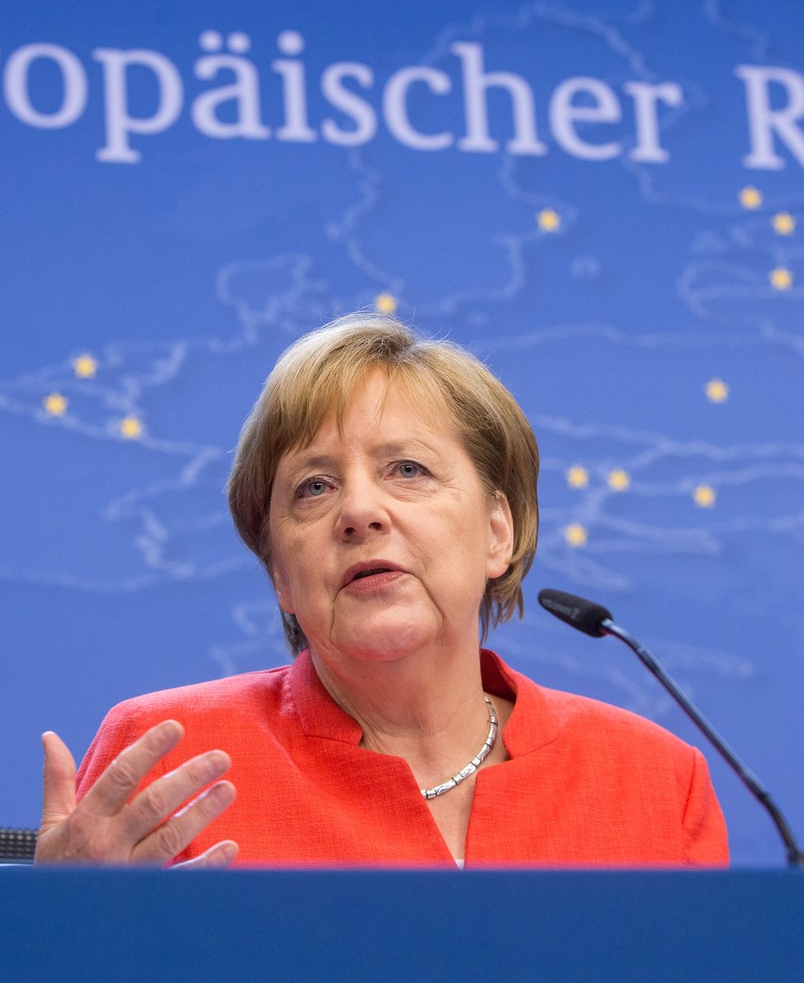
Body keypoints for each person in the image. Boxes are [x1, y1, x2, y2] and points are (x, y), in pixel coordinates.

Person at [36, 314, 728, 867]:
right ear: (279, 571)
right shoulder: (170, 756)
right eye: (314, 487)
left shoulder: (655, 781)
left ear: (496, 533)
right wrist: (60, 943)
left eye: (407, 469)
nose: (360, 512)